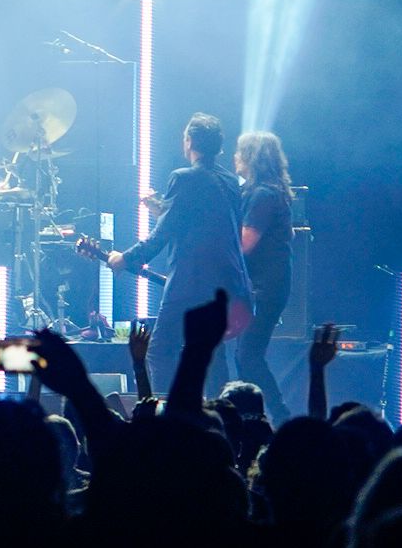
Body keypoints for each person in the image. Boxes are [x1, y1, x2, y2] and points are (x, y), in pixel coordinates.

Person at [108, 113, 252, 394]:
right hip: (226, 283)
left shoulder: (183, 178)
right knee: (213, 356)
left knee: (160, 352)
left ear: (189, 142)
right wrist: (162, 211)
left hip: (191, 281)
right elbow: (206, 224)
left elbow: (163, 234)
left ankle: (166, 416)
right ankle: (222, 417)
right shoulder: (230, 181)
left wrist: (126, 258)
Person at [232, 131, 295, 419]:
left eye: (239, 152)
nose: (234, 157)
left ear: (251, 158)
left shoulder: (263, 195)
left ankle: (277, 418)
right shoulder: (259, 192)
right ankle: (254, 419)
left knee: (248, 357)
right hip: (263, 285)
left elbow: (245, 244)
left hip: (265, 287)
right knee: (246, 357)